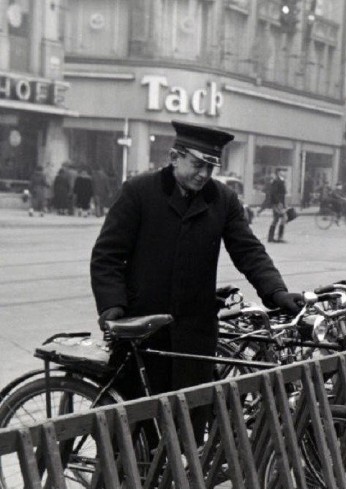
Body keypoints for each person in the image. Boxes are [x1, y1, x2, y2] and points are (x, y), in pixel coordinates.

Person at [90, 120, 302, 432]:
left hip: (195, 333)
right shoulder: (139, 192)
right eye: (198, 164)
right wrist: (114, 307)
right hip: (143, 329)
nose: (204, 174)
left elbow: (249, 251)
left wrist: (277, 292)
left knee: (189, 425)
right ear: (174, 157)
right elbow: (106, 255)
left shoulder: (222, 199)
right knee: (135, 426)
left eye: (211, 167)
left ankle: (177, 478)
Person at [266, 168, 289, 243]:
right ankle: (279, 237)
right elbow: (274, 193)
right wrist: (278, 202)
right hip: (277, 203)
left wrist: (284, 204)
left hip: (279, 203)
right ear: (279, 172)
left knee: (276, 219)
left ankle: (271, 237)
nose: (285, 173)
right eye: (283, 171)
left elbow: (283, 194)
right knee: (284, 217)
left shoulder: (281, 181)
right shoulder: (277, 181)